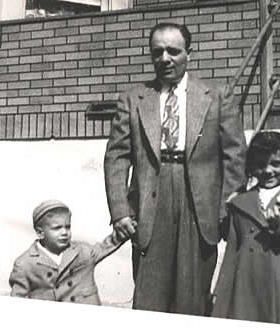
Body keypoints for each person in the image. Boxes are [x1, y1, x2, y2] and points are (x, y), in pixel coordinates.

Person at [103, 22, 247, 315]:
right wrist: (119, 212)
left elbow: (234, 155)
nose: (165, 58)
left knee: (192, 298)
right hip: (150, 201)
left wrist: (226, 208)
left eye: (173, 51)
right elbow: (116, 157)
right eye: (157, 52)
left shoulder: (217, 96)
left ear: (189, 54)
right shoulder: (134, 99)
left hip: (199, 203)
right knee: (149, 297)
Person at [211, 131, 280, 326]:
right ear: (251, 167)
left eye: (276, 164)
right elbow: (231, 256)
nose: (268, 170)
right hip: (248, 285)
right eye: (260, 165)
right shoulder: (239, 204)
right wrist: (221, 297)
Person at [9, 199, 127, 305]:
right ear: (40, 233)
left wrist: (125, 231)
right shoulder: (24, 264)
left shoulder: (82, 252)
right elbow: (18, 304)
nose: (64, 232)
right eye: (57, 228)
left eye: (67, 227)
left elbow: (108, 245)